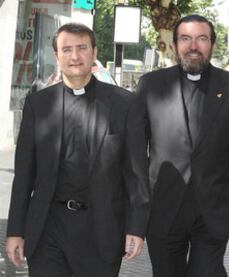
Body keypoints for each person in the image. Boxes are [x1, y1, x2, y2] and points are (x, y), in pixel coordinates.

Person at [6, 23, 150, 276]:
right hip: (48, 228)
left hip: (101, 230)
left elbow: (136, 174)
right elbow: (24, 175)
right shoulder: (38, 104)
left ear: (94, 52)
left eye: (82, 48)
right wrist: (15, 230)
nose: (75, 56)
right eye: (67, 49)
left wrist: (136, 228)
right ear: (57, 56)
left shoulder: (125, 104)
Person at [134, 14, 229, 277]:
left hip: (214, 208)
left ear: (212, 44)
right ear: (175, 44)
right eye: (186, 38)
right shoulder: (151, 85)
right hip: (164, 207)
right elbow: (135, 152)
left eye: (201, 39)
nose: (194, 46)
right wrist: (136, 209)